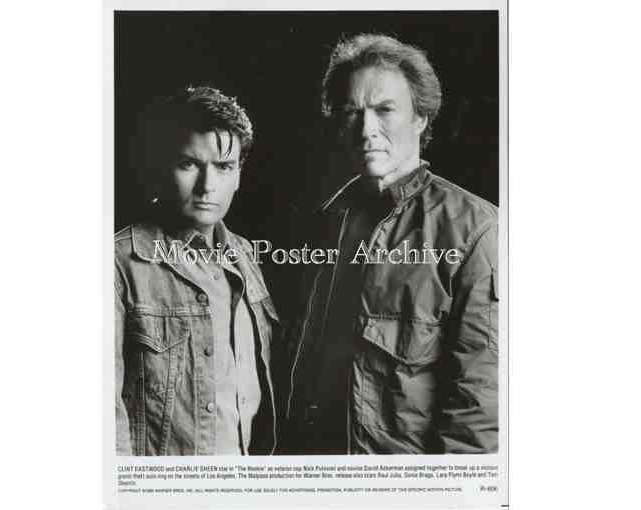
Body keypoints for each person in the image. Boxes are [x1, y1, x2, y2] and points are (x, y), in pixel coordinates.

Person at [284, 34, 498, 454]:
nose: (366, 129)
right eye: (352, 112)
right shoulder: (323, 222)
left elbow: (479, 412)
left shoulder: (478, 229)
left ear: (421, 118)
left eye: (384, 109)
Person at [115, 86, 279, 455]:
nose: (208, 186)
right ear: (162, 167)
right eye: (189, 164)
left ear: (239, 175)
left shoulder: (247, 256)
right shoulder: (117, 262)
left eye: (223, 167)